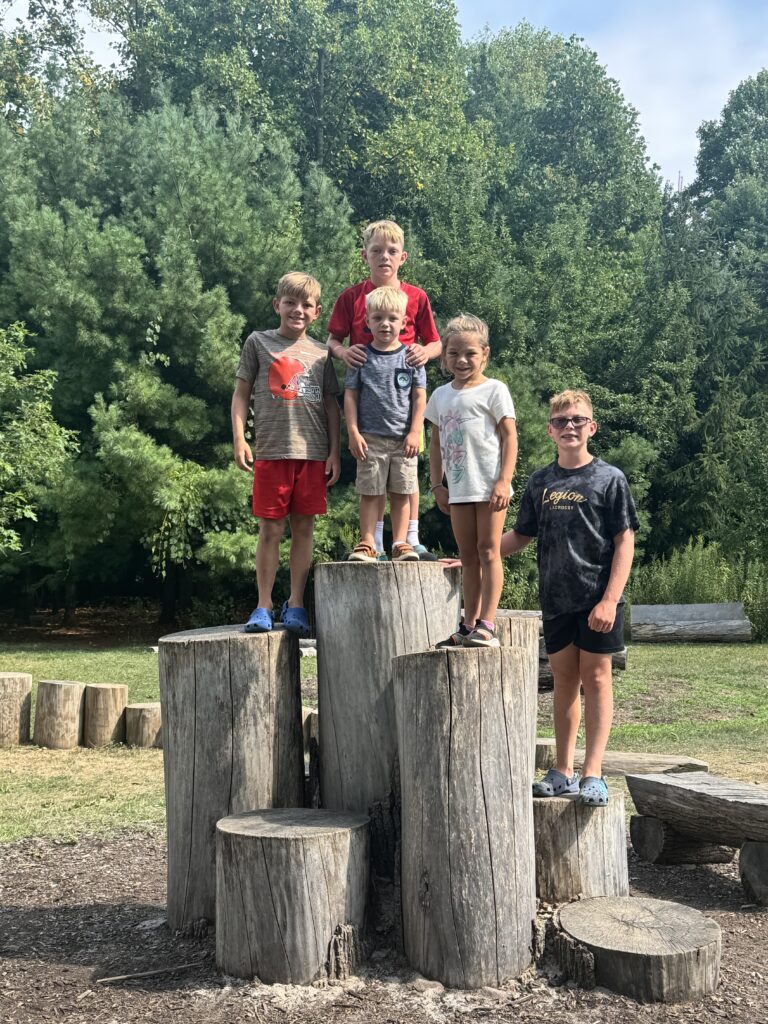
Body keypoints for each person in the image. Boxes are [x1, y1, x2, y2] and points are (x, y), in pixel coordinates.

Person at [501, 389, 638, 806]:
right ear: (550, 430)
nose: (569, 427)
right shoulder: (541, 481)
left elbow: (625, 541)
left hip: (598, 600)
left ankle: (592, 773)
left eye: (577, 420)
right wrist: (472, 555)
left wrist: (610, 600)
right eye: (561, 421)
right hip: (556, 600)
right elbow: (520, 536)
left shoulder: (609, 478)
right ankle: (562, 770)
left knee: (597, 680)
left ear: (591, 427)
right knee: (564, 681)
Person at [231, 271, 341, 636]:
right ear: (277, 305)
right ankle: (263, 604)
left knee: (304, 528)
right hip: (272, 452)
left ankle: (296, 604)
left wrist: (334, 453)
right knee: (271, 529)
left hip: (312, 453)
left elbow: (330, 405)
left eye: (306, 305)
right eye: (290, 302)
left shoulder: (322, 353)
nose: (297, 309)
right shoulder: (258, 342)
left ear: (317, 312)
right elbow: (241, 393)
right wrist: (239, 438)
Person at [327, 219, 441, 560]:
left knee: (405, 476)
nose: (384, 257)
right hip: (367, 392)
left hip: (404, 392)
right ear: (365, 255)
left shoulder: (416, 297)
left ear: (402, 257)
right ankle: (372, 541)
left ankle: (408, 539)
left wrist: (425, 351)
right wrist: (345, 352)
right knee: (373, 478)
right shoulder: (351, 297)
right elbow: (332, 340)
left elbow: (435, 342)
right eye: (377, 251)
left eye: (391, 251)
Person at [425, 314, 517, 647]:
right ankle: (467, 624)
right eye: (453, 354)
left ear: (485, 354)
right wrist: (437, 485)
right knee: (468, 557)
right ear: (445, 356)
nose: (462, 360)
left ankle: (487, 624)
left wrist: (504, 481)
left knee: (489, 551)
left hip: (489, 486)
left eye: (470, 354)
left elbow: (509, 437)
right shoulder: (440, 396)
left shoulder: (495, 390)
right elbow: (434, 444)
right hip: (459, 489)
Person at [345, 286, 427, 562]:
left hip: (403, 440)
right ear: (367, 321)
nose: (385, 324)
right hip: (370, 438)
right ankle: (368, 542)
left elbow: (419, 397)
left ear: (404, 322)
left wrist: (416, 431)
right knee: (370, 491)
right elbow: (350, 396)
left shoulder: (412, 358)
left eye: (392, 318)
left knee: (402, 492)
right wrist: (353, 432)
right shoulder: (360, 357)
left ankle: (401, 542)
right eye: (378, 318)